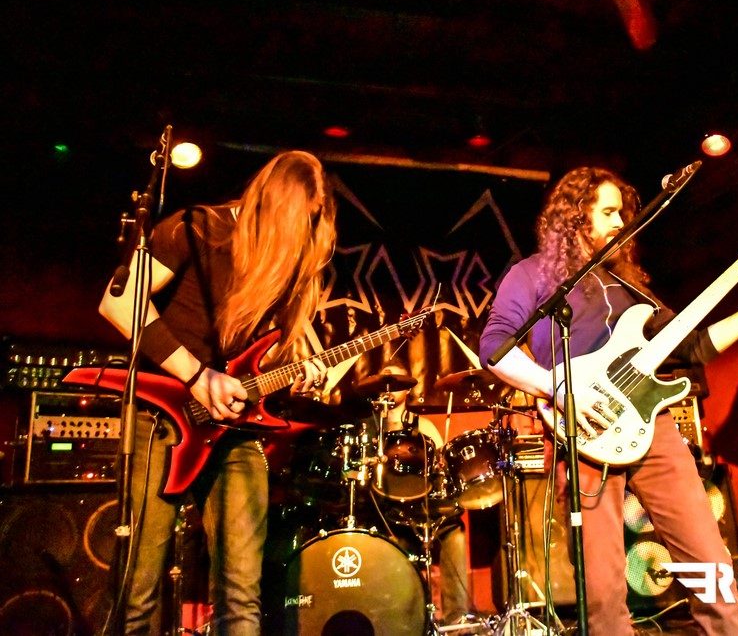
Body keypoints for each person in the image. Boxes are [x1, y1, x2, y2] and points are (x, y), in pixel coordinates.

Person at [478, 166, 738, 636]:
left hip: (652, 426)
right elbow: (494, 347)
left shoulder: (630, 287)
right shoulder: (531, 274)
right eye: (609, 211)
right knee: (600, 587)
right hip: (580, 430)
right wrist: (558, 388)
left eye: (623, 212)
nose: (621, 222)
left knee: (711, 564)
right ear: (575, 216)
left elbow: (694, 346)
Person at [99, 150, 337, 634]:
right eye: (299, 220)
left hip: (233, 430)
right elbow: (118, 303)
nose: (301, 236)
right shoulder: (197, 229)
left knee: (241, 595)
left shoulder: (289, 266)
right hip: (160, 419)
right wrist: (196, 375)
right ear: (273, 203)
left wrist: (295, 371)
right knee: (139, 591)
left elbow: (254, 356)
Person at [371, 362, 472, 626]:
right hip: (386, 510)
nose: (390, 386)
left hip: (422, 506)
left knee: (454, 531)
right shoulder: (370, 428)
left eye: (397, 381)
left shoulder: (423, 426)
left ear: (407, 389)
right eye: (385, 380)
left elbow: (442, 466)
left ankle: (457, 618)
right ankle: (404, 621)